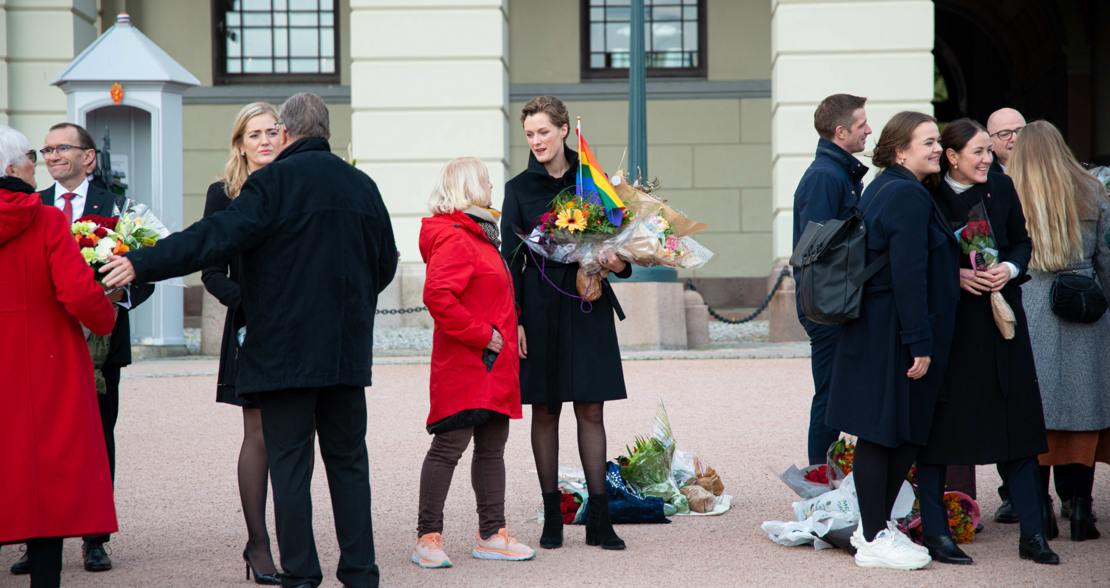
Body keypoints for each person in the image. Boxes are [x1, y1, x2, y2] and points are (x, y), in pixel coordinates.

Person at [100, 93, 398, 588]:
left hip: (283, 349)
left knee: (289, 464)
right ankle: (361, 573)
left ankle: (302, 573)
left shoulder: (271, 183)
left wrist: (142, 261)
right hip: (345, 350)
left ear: (284, 132)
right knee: (349, 463)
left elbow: (211, 237)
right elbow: (385, 261)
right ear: (324, 130)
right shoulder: (362, 185)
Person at [9, 122, 156, 575]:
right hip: (43, 339)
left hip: (101, 341)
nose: (51, 156)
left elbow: (146, 264)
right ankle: (37, 540)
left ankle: (95, 539)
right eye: (46, 150)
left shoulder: (120, 207)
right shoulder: (34, 206)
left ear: (88, 157)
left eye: (61, 148)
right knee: (35, 439)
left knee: (97, 434)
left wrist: (112, 297)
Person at [916, 118, 1056, 565]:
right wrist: (952, 275)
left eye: (987, 150)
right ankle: (936, 534)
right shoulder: (926, 195)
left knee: (1017, 425)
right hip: (953, 331)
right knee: (940, 434)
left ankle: (1033, 533)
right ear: (952, 157)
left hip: (1002, 326)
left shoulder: (1002, 188)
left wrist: (1009, 270)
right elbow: (911, 259)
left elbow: (1021, 243)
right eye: (976, 151)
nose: (987, 158)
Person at [825, 111, 959, 570]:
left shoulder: (888, 185)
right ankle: (875, 534)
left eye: (938, 141)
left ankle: (874, 528)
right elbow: (907, 273)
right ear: (901, 150)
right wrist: (919, 341)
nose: (938, 149)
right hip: (893, 331)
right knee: (885, 433)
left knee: (890, 431)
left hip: (880, 325)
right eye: (928, 142)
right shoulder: (905, 194)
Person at [500, 95, 631, 551]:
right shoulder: (517, 189)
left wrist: (615, 261)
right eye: (530, 134)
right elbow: (508, 261)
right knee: (547, 408)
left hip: (587, 300)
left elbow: (622, 247)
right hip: (538, 307)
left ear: (562, 131)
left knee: (592, 407)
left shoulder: (591, 179)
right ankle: (552, 517)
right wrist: (513, 319)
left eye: (543, 132)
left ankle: (600, 519)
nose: (536, 140)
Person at [0, 124, 118, 588]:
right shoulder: (47, 219)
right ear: (12, 168)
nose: (37, 162)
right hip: (43, 364)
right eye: (31, 155)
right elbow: (81, 296)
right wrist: (106, 314)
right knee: (45, 476)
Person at [413, 157, 534, 569]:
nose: (491, 185)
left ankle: (491, 534)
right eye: (485, 179)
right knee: (449, 447)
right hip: (469, 361)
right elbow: (438, 297)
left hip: (491, 363)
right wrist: (485, 335)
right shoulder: (456, 236)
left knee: (491, 449)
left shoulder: (480, 233)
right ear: (467, 186)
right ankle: (427, 538)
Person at [1009, 120, 1110, 544]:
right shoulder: (1092, 189)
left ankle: (1042, 512)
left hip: (1032, 303)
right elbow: (1105, 254)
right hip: (1085, 302)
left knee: (1037, 410)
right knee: (1084, 407)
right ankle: (1083, 512)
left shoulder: (1009, 192)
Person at [201, 102, 283, 584]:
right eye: (255, 134)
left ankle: (294, 538)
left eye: (272, 132)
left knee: (294, 433)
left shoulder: (296, 186)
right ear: (240, 142)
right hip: (251, 325)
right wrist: (248, 304)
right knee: (259, 436)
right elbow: (211, 270)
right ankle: (257, 543)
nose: (265, 141)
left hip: (299, 327)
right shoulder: (224, 193)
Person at [791, 93, 871, 464]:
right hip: (829, 308)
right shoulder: (825, 176)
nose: (868, 130)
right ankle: (819, 486)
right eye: (861, 125)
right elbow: (815, 251)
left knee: (839, 395)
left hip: (838, 303)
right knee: (829, 397)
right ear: (841, 132)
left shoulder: (837, 172)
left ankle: (829, 480)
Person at [987, 108, 1025, 174]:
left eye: (1020, 132)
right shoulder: (985, 178)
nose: (1014, 138)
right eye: (1005, 134)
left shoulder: (1043, 168)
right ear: (990, 143)